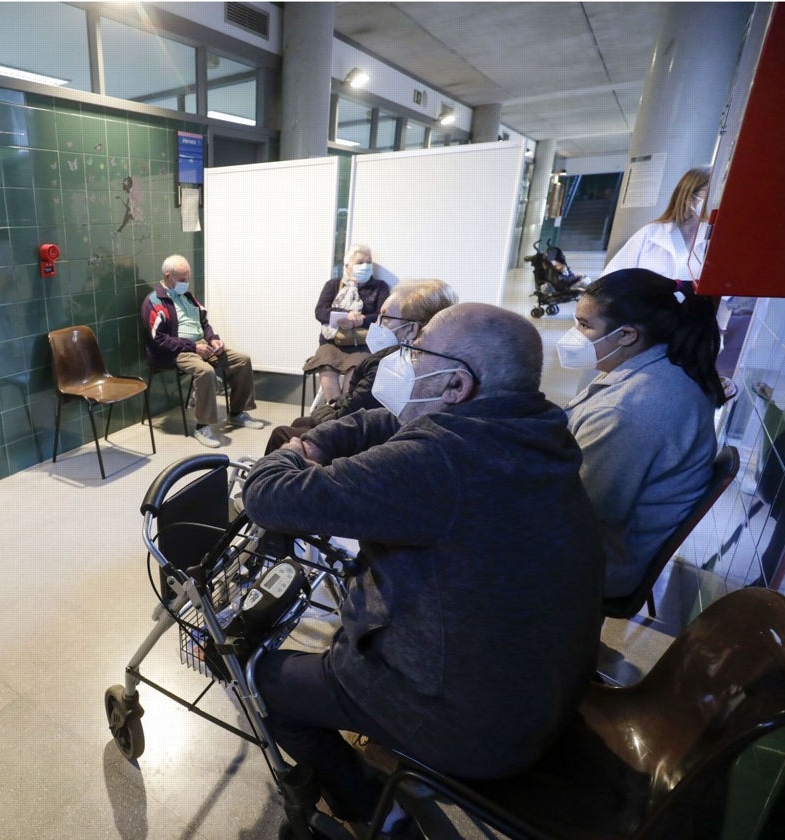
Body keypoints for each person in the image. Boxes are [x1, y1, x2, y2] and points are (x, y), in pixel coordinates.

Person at [243, 303, 605, 831]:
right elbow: (397, 419)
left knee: (261, 679)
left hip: (471, 727)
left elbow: (266, 494)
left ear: (457, 385)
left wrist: (299, 447)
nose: (405, 365)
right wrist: (327, 437)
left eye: (417, 356)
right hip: (544, 696)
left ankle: (369, 808)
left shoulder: (441, 460)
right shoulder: (535, 427)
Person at [558, 268, 726, 598]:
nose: (574, 334)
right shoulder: (655, 366)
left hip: (595, 566)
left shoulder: (630, 409)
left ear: (627, 334)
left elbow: (577, 510)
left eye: (585, 325)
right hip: (605, 546)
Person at [263, 279, 457, 455]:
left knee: (282, 434)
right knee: (300, 422)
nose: (378, 325)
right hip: (383, 440)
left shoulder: (390, 367)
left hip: (365, 447)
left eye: (385, 318)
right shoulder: (441, 367)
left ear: (412, 328)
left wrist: (327, 408)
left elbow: (345, 420)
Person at [142, 254, 262, 448]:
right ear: (167, 277)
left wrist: (214, 339)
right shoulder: (155, 302)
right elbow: (159, 340)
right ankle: (202, 426)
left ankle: (237, 413)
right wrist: (193, 347)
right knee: (205, 372)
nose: (186, 283)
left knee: (242, 360)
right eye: (182, 279)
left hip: (200, 344)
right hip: (176, 352)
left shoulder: (188, 297)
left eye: (188, 278)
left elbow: (204, 322)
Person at [304, 245, 391, 403]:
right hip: (332, 341)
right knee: (326, 367)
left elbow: (383, 315)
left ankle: (344, 410)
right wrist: (345, 316)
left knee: (356, 370)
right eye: (360, 262)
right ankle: (332, 410)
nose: (365, 266)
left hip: (362, 343)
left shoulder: (380, 287)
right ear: (347, 266)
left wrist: (362, 319)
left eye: (368, 262)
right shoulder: (333, 285)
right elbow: (320, 311)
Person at [603, 166, 710, 283]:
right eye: (709, 191)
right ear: (688, 196)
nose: (717, 198)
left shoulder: (717, 238)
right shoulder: (650, 234)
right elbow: (610, 280)